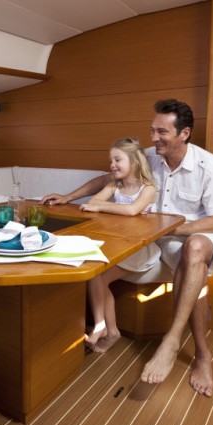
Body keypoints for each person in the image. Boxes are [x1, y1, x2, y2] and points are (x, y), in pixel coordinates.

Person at [41, 99, 213, 397]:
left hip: (199, 232)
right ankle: (115, 330)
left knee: (194, 249)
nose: (154, 138)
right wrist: (68, 197)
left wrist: (165, 228)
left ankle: (183, 346)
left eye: (162, 132)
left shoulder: (210, 165)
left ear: (184, 133)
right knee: (103, 265)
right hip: (158, 237)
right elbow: (107, 179)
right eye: (152, 130)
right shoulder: (148, 157)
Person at [79, 137, 159, 354]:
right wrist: (108, 207)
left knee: (97, 276)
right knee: (94, 274)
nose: (112, 165)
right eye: (111, 160)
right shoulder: (115, 185)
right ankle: (106, 328)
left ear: (134, 161)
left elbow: (132, 210)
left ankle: (104, 328)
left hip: (139, 250)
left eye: (117, 159)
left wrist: (103, 207)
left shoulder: (148, 189)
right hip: (119, 245)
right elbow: (92, 202)